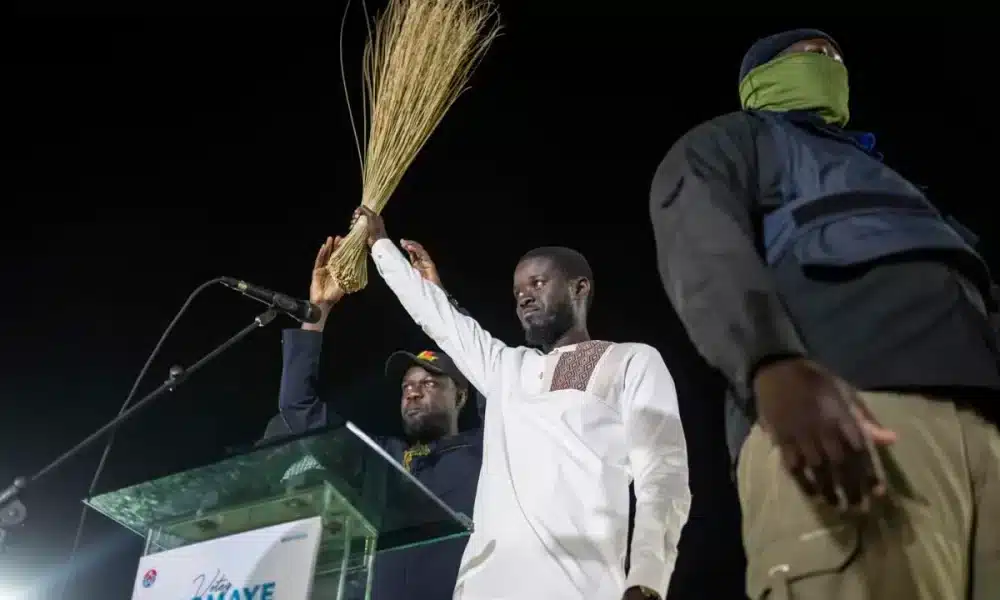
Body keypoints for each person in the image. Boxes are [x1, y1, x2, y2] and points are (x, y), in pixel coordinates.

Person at [648, 28, 1000, 599]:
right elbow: (700, 238)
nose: (829, 64)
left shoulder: (897, 182)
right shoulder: (739, 140)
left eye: (835, 58)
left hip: (983, 428)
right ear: (759, 77)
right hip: (850, 414)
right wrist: (769, 362)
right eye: (810, 56)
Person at [351, 206, 691, 600]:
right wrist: (379, 244)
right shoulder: (506, 369)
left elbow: (663, 475)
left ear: (580, 288)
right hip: (485, 586)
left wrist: (646, 579)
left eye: (538, 283)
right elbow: (440, 320)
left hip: (577, 587)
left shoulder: (632, 360)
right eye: (517, 292)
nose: (524, 298)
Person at [260, 235, 484, 600]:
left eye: (428, 382)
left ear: (460, 395)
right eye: (407, 385)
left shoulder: (488, 449)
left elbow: (491, 372)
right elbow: (299, 410)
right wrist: (317, 315)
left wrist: (440, 301)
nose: (412, 391)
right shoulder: (380, 459)